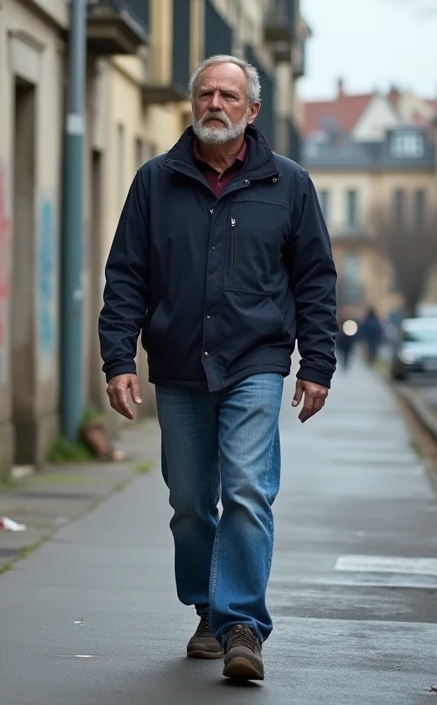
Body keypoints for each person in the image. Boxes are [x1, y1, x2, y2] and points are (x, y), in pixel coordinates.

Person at [97, 55, 338, 682]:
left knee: (250, 491)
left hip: (256, 360)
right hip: (177, 364)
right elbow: (126, 275)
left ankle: (241, 627)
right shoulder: (155, 182)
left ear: (251, 110)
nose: (215, 104)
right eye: (205, 93)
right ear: (192, 103)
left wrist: (317, 363)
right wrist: (119, 357)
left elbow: (315, 279)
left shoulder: (289, 185)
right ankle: (207, 606)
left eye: (229, 95)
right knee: (189, 502)